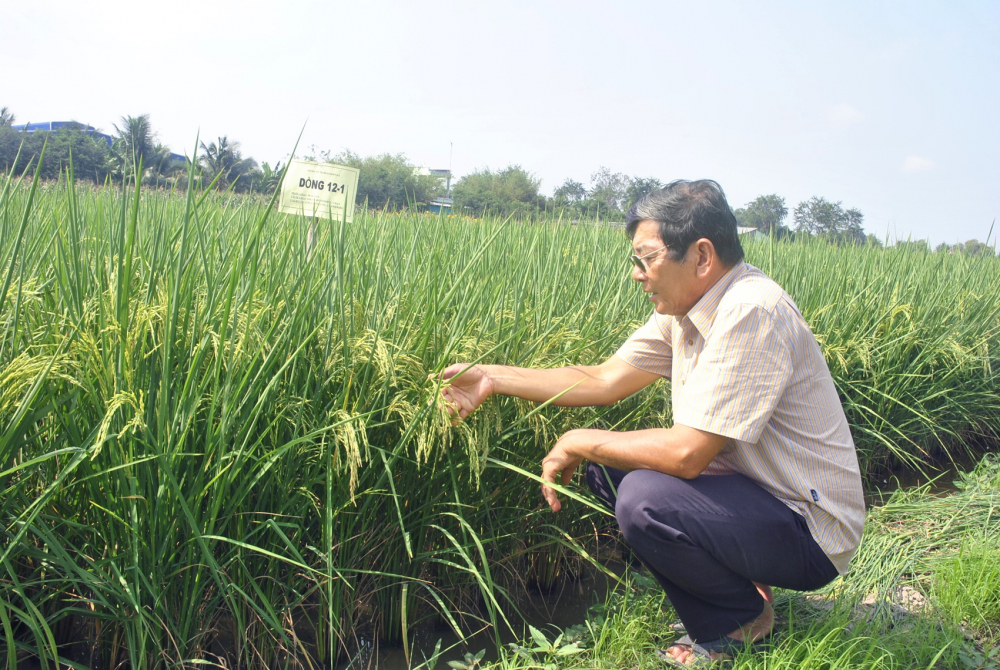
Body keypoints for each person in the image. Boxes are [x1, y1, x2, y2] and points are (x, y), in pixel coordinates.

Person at [439, 179, 865, 667]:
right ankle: (745, 595)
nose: (637, 275)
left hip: (810, 531)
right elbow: (603, 379)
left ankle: (737, 621)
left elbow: (687, 455)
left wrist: (581, 439)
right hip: (757, 498)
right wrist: (492, 377)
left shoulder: (750, 311)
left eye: (646, 259)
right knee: (611, 470)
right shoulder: (686, 310)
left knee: (645, 498)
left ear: (702, 257)